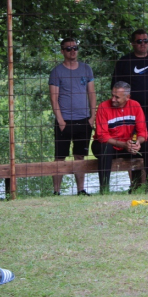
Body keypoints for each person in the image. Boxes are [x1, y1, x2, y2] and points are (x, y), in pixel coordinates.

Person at [49, 37, 96, 196]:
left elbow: (92, 93)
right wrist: (60, 120)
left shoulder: (86, 69)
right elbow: (53, 98)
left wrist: (92, 117)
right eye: (68, 48)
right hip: (64, 121)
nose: (72, 51)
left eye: (75, 48)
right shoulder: (57, 71)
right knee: (59, 157)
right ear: (62, 51)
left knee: (80, 156)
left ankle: (81, 189)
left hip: (84, 120)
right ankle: (56, 191)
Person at [91, 81, 148, 194]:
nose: (113, 99)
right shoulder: (103, 107)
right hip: (110, 145)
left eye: (117, 97)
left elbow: (143, 133)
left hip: (129, 144)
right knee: (105, 148)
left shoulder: (135, 105)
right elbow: (102, 135)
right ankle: (104, 189)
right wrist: (123, 144)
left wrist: (137, 143)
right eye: (112, 95)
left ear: (127, 97)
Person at [111, 29, 148, 149]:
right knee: (133, 145)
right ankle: (135, 168)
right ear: (133, 43)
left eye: (146, 40)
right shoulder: (124, 62)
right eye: (139, 41)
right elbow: (115, 86)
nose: (143, 43)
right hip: (131, 112)